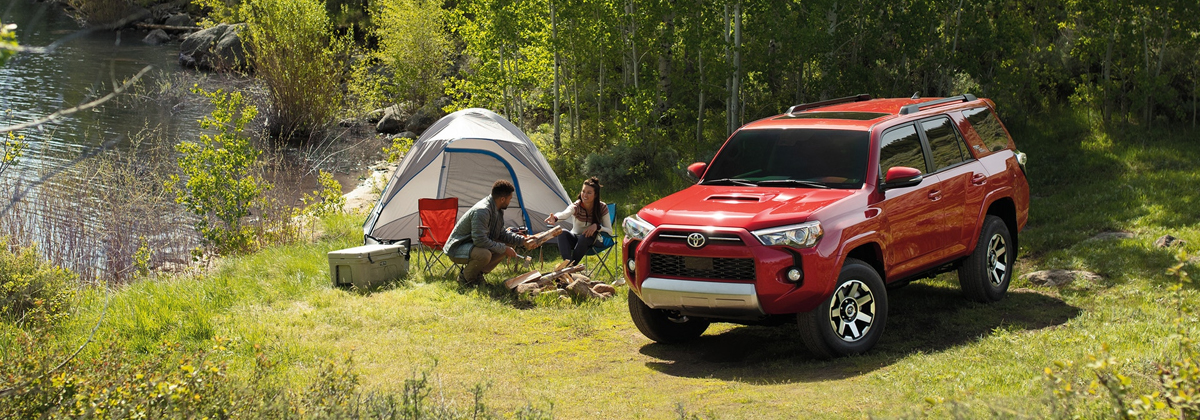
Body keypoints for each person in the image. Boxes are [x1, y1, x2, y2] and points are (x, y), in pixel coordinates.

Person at [445, 180, 529, 286]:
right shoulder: (482, 211)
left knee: (506, 244)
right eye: (510, 199)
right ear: (502, 199)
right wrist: (503, 249)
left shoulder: (498, 209)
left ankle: (477, 274)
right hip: (458, 247)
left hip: (473, 245)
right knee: (485, 254)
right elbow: (480, 240)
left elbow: (502, 233)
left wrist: (523, 240)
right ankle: (466, 278)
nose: (509, 201)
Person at [545, 177, 612, 266]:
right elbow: (565, 213)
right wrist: (555, 218)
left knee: (584, 236)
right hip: (575, 239)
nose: (585, 195)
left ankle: (570, 268)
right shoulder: (577, 206)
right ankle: (568, 267)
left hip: (593, 240)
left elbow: (610, 231)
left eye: (589, 193)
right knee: (562, 233)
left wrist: (597, 227)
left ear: (595, 195)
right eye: (583, 191)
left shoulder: (602, 207)